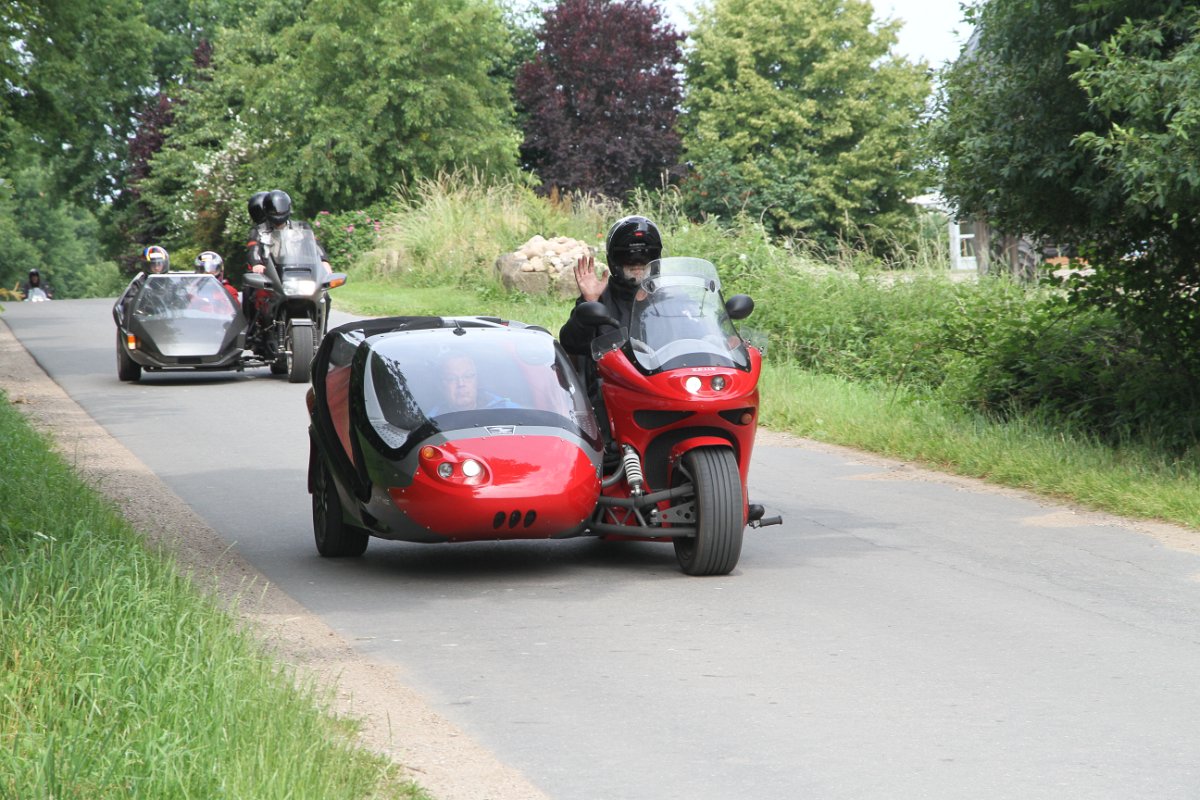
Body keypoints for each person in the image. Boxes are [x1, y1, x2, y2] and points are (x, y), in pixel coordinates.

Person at [558, 215, 662, 438]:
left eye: (645, 258)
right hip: (613, 396)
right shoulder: (601, 298)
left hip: (663, 388)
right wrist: (590, 301)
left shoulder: (668, 299)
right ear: (615, 260)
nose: (637, 264)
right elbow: (571, 342)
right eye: (629, 258)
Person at [429, 354, 515, 416]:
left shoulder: (505, 408)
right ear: (441, 386)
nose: (461, 384)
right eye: (451, 378)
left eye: (468, 376)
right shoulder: (433, 422)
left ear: (477, 380)